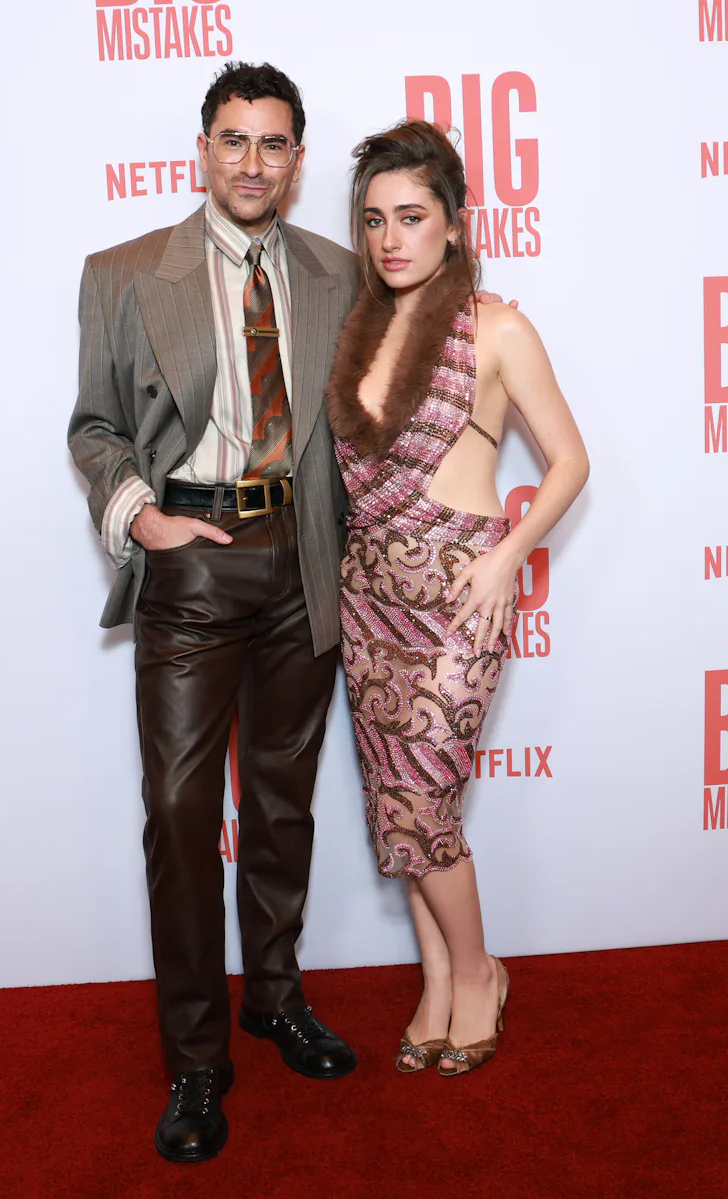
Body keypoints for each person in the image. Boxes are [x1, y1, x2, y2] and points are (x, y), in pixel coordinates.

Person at [69, 64, 510, 1161]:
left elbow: (417, 371)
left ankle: (272, 996)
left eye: (273, 144)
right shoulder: (124, 274)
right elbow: (92, 427)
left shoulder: (334, 272)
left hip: (307, 568)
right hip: (190, 568)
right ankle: (197, 1060)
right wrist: (144, 515)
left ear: (297, 158)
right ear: (203, 148)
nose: (252, 162)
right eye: (233, 140)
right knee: (179, 817)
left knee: (281, 805)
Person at [326, 120, 589, 1077]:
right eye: (373, 220)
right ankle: (435, 978)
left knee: (425, 798)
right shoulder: (362, 326)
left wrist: (509, 553)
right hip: (370, 597)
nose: (391, 238)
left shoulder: (498, 326)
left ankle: (480, 973)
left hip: (456, 597)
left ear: (455, 221)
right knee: (396, 799)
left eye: (411, 216)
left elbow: (570, 461)